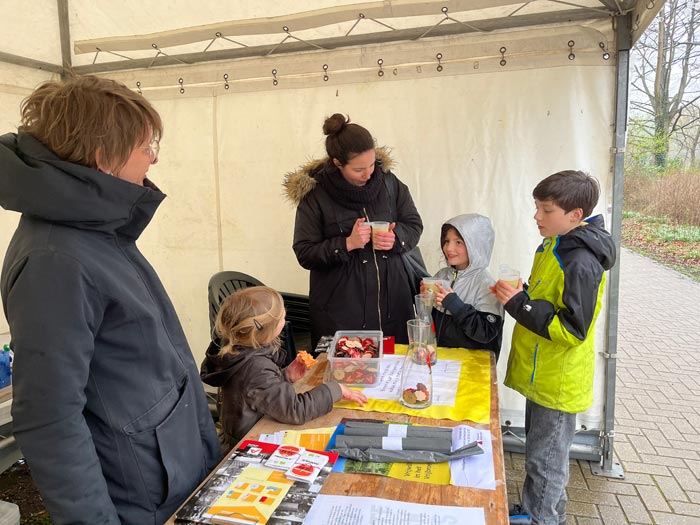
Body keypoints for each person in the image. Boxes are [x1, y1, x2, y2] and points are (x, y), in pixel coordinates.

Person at [0, 75, 221, 525]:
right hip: (137, 491)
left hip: (169, 470)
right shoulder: (55, 258)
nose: (153, 157)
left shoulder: (94, 227)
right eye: (145, 146)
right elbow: (49, 415)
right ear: (103, 158)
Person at [492, 170, 616, 525]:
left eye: (546, 210)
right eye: (537, 207)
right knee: (539, 454)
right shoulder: (555, 244)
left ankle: (542, 518)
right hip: (541, 372)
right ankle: (536, 510)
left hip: (557, 381)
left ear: (575, 215)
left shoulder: (581, 261)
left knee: (546, 462)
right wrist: (519, 294)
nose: (537, 216)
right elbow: (545, 295)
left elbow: (572, 328)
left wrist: (520, 304)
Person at [283, 114, 423, 347]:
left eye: (371, 164)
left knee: (394, 372)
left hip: (393, 307)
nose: (368, 174)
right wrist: (346, 244)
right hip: (341, 314)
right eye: (359, 169)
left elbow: (414, 224)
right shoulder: (315, 195)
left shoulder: (389, 183)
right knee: (345, 378)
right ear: (338, 163)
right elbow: (304, 251)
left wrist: (396, 239)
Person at [200, 286, 368, 453]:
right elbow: (295, 410)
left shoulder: (238, 351)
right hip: (247, 444)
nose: (285, 316)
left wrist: (285, 376)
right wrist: (335, 389)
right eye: (281, 316)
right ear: (266, 332)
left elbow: (255, 391)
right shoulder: (255, 367)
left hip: (243, 431)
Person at [426, 214, 504, 359]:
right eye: (447, 241)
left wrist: (455, 305)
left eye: (459, 242)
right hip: (443, 362)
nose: (449, 248)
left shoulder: (487, 285)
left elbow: (486, 333)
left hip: (472, 368)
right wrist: (425, 298)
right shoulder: (441, 276)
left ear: (476, 244)